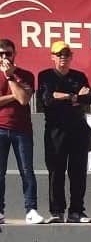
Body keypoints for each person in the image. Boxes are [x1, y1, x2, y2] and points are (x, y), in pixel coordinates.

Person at [37, 40, 91, 223]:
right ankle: (57, 212)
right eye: (59, 54)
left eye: (67, 55)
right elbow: (46, 99)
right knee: (56, 171)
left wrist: (65, 96)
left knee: (78, 172)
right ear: (52, 57)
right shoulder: (45, 76)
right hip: (56, 131)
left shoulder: (79, 76)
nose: (63, 58)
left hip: (78, 129)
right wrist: (74, 96)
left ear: (71, 57)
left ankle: (76, 212)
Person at [0, 38, 43, 225]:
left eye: (7, 53)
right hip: (0, 129)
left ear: (14, 54)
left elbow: (24, 100)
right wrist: (14, 95)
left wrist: (10, 76)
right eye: (0, 54)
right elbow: (18, 96)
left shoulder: (25, 75)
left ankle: (31, 210)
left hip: (22, 130)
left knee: (27, 171)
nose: (4, 57)